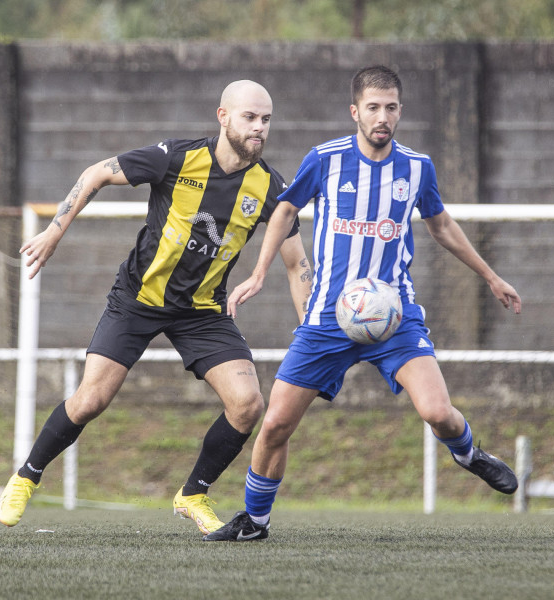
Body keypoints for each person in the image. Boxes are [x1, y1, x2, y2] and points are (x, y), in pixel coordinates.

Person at [204, 65, 523, 542]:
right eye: (373, 107)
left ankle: (469, 453)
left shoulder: (417, 168)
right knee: (274, 425)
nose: (383, 117)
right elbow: (285, 210)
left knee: (438, 412)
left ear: (400, 111)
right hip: (328, 318)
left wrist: (491, 276)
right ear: (355, 112)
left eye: (391, 107)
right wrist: (257, 274)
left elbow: (441, 226)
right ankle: (255, 521)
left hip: (394, 317)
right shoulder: (326, 159)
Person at [0, 80, 312, 535]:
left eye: (266, 120)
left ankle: (194, 493)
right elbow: (96, 172)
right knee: (90, 400)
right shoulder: (177, 158)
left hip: (203, 310)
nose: (259, 127)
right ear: (223, 117)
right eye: (249, 117)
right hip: (138, 299)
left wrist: (309, 332)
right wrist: (54, 231)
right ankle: (26, 476)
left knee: (248, 404)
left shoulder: (271, 187)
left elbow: (298, 262)